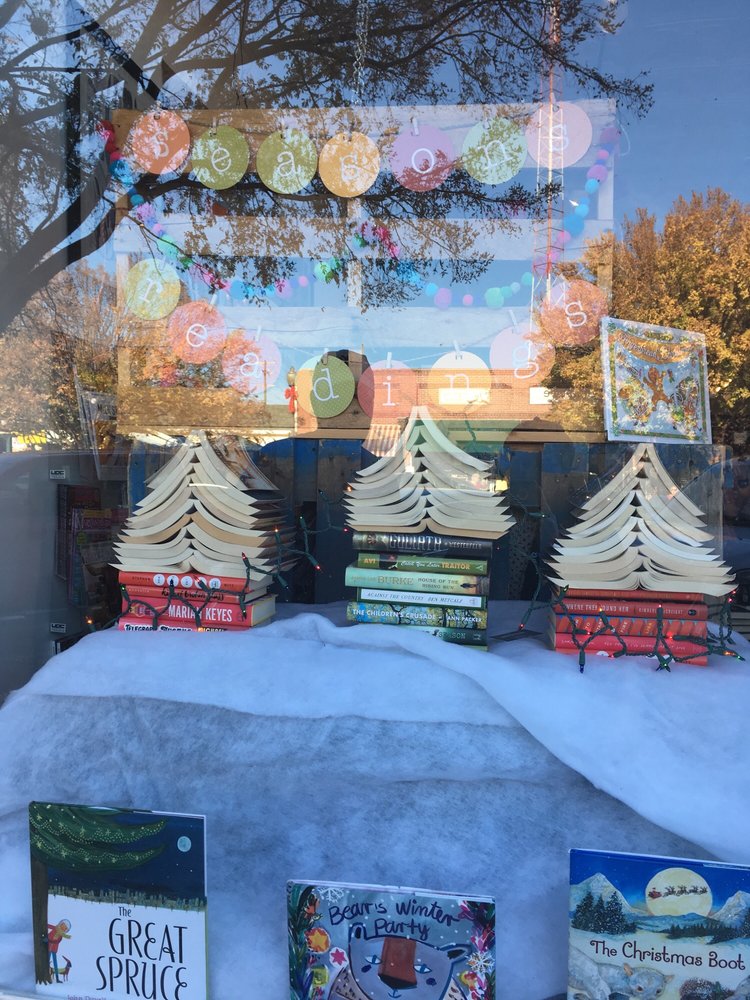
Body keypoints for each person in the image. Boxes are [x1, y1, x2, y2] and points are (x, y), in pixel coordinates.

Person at [47, 918, 71, 983]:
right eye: (63, 925)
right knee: (47, 962)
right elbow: (48, 926)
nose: (63, 927)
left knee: (55, 963)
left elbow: (58, 941)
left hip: (54, 949)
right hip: (49, 947)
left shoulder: (61, 935)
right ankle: (48, 976)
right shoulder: (55, 928)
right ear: (60, 924)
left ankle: (57, 978)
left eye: (65, 928)